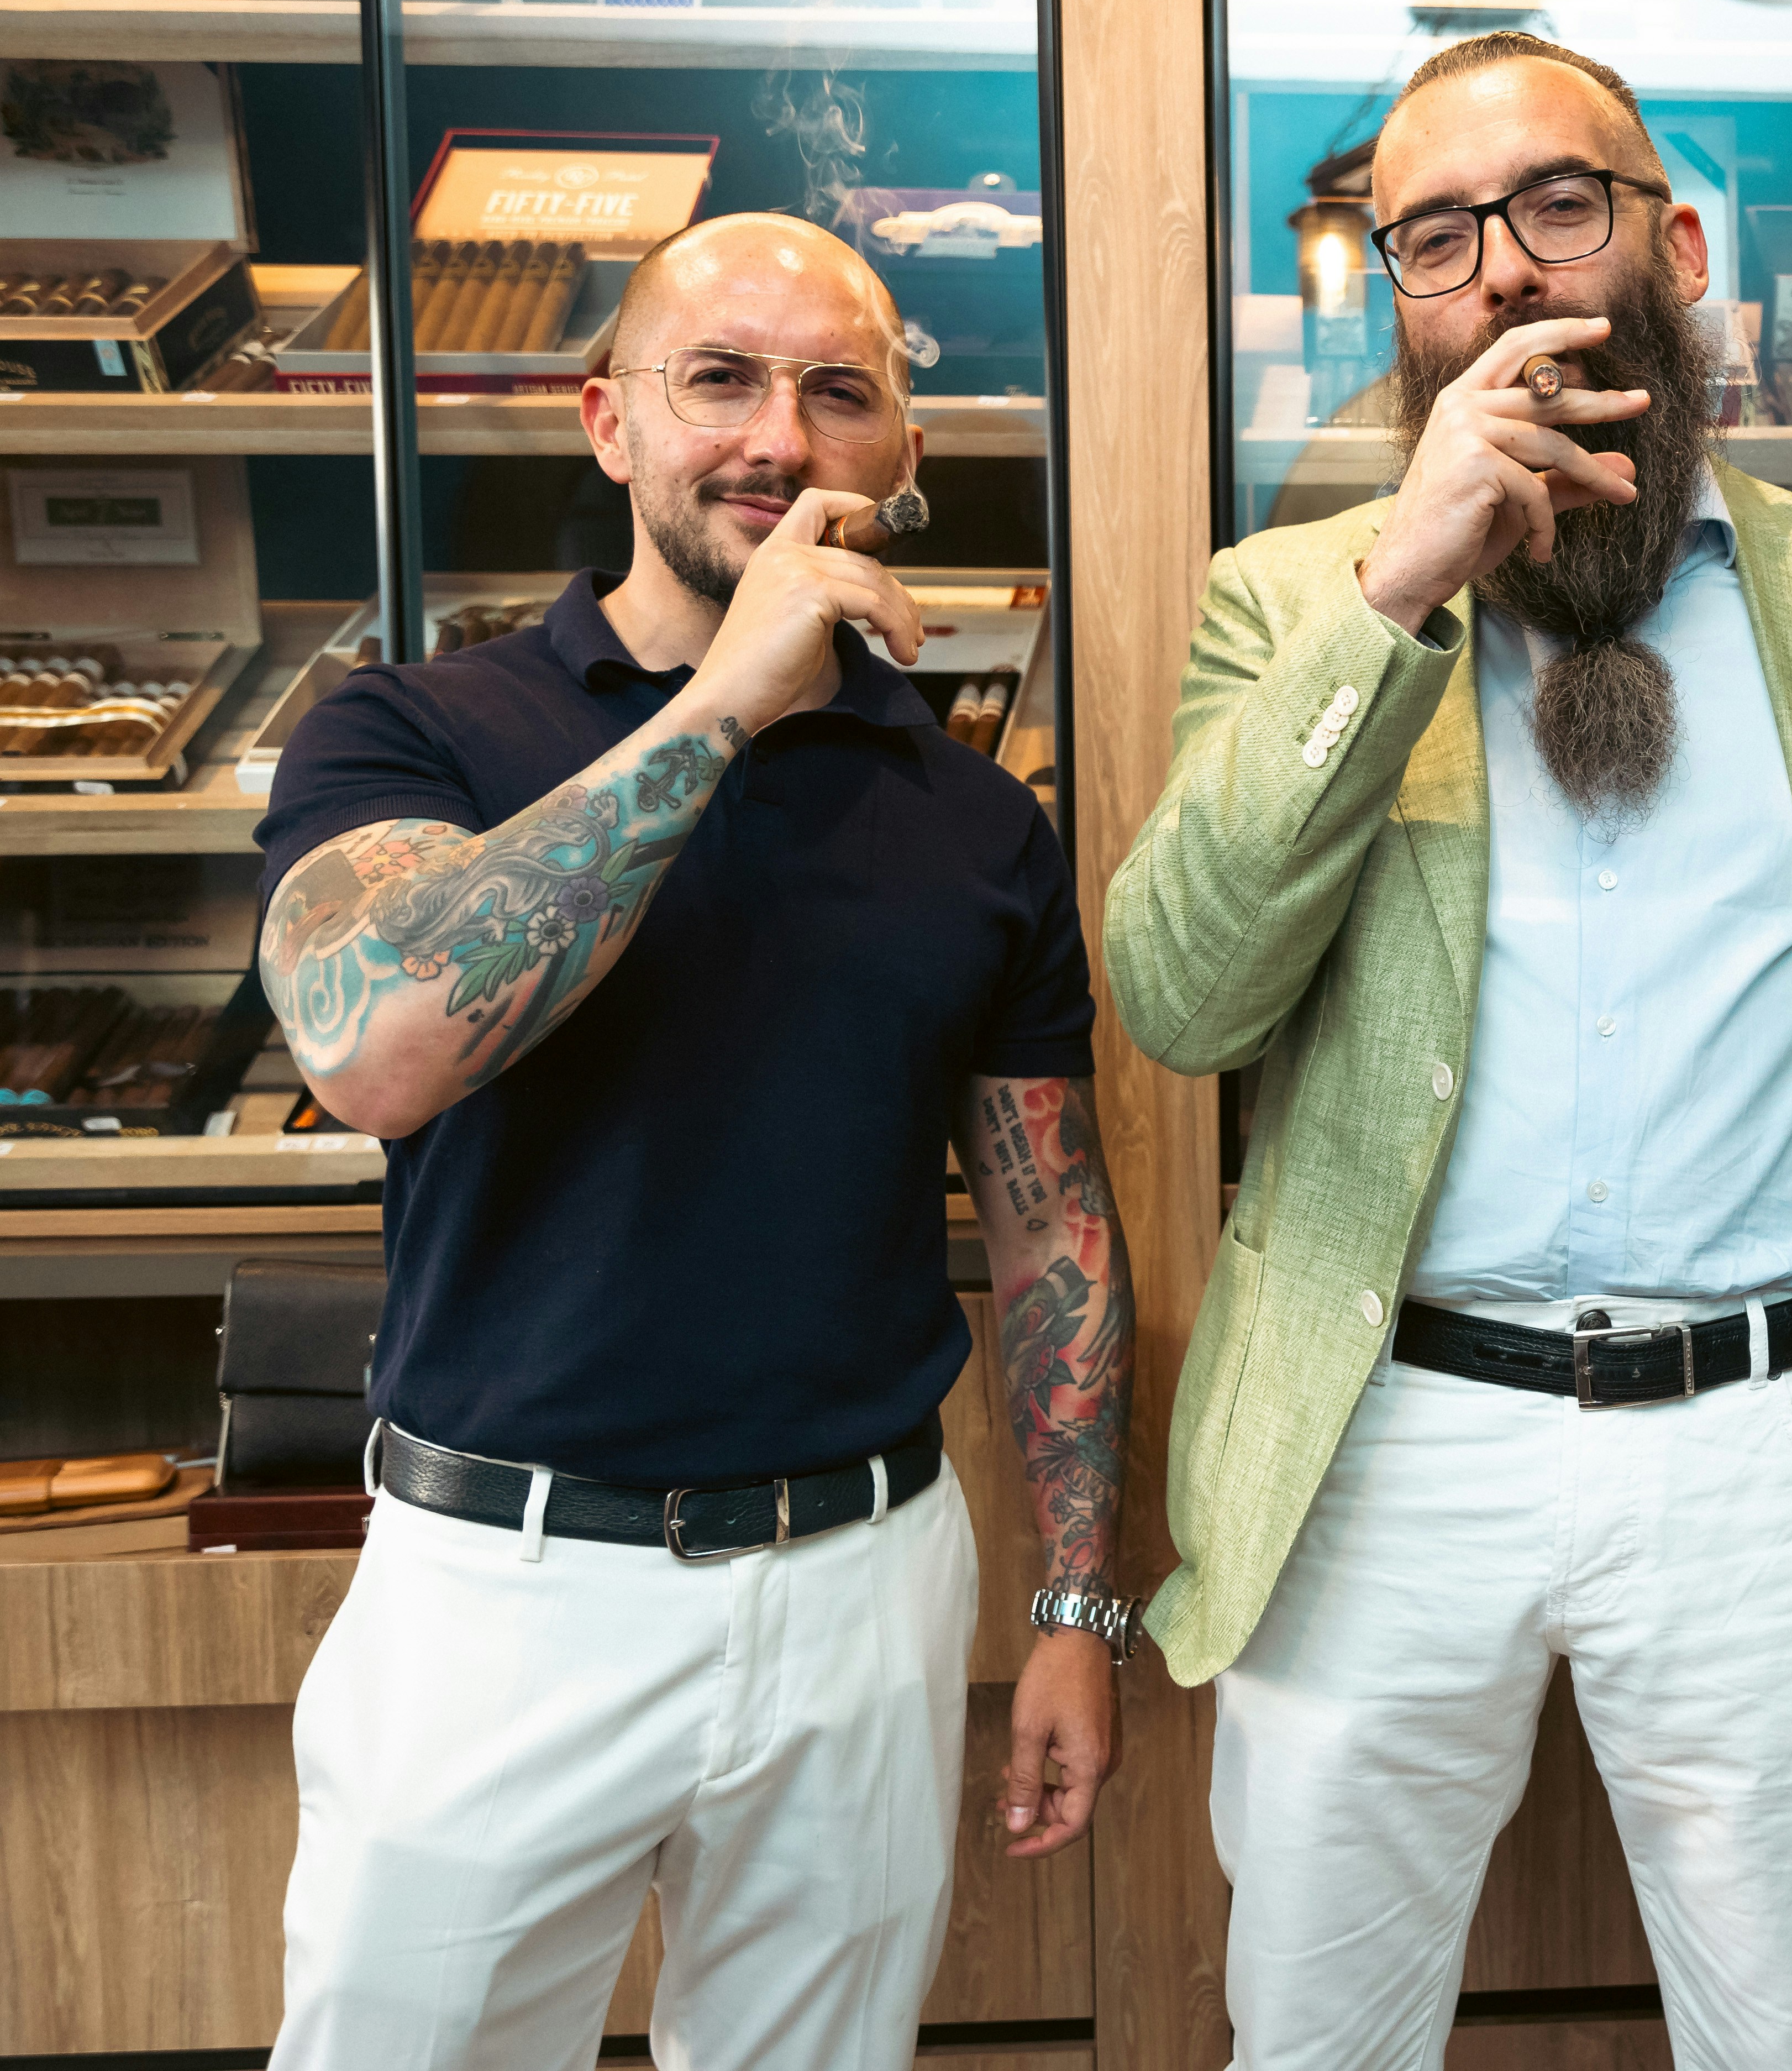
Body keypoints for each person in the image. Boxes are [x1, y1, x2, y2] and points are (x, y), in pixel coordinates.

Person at [1103, 31, 1792, 2069]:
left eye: (1559, 205)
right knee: (1317, 2046)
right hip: (1382, 1441)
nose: (1509, 273)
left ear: (1677, 248)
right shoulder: (1291, 603)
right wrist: (1404, 582)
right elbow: (1182, 997)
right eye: (1434, 240)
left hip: (1786, 1445)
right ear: (1400, 307)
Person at [251, 212, 1134, 2071]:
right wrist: (727, 699)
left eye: (841, 392)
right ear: (606, 422)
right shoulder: (416, 727)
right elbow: (374, 1047)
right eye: (718, 379)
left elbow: (1055, 1237)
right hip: (502, 1589)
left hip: (860, 1590)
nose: (779, 439)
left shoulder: (976, 823)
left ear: (905, 447)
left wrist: (1072, 1600)